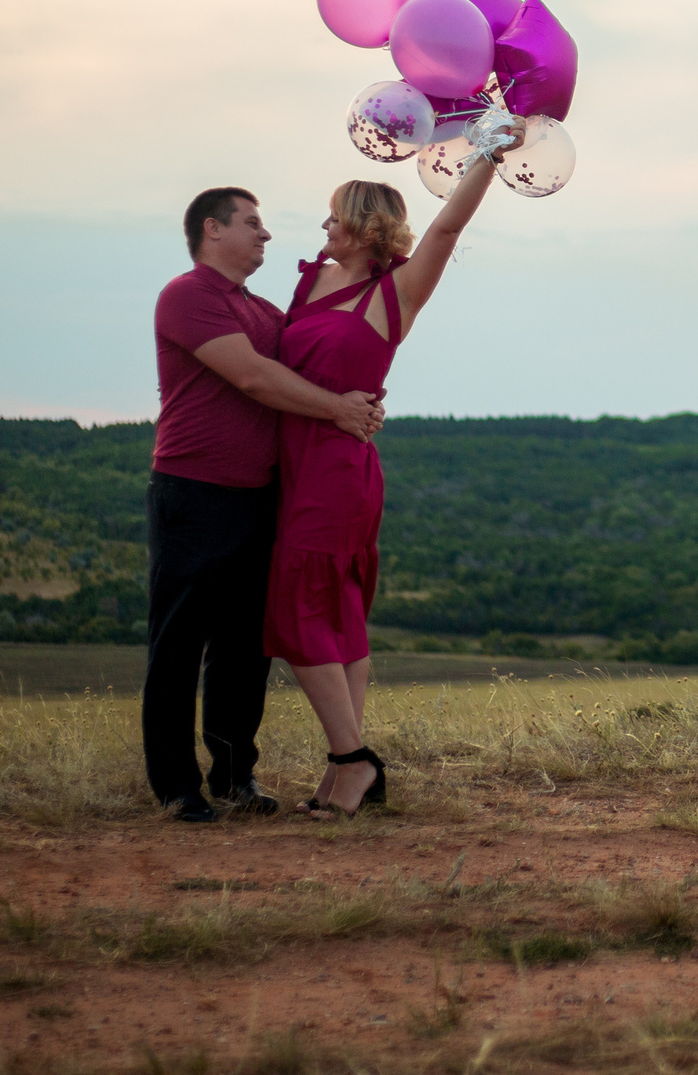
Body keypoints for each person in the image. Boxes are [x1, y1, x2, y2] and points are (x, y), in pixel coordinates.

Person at [267, 137, 515, 818]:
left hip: (340, 472)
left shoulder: (395, 290)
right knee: (334, 616)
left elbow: (448, 226)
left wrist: (487, 156)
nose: (321, 228)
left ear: (360, 225)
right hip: (295, 462)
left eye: (331, 217)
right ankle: (344, 767)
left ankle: (353, 764)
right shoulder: (311, 279)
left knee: (301, 607)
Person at [147, 186, 388, 824]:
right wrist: (340, 409)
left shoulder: (262, 309)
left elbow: (306, 372)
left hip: (262, 494)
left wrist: (356, 401)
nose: (267, 235)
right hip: (194, 489)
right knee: (178, 641)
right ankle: (176, 786)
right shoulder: (187, 295)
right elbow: (255, 377)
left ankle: (234, 777)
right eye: (252, 223)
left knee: (243, 647)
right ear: (211, 229)